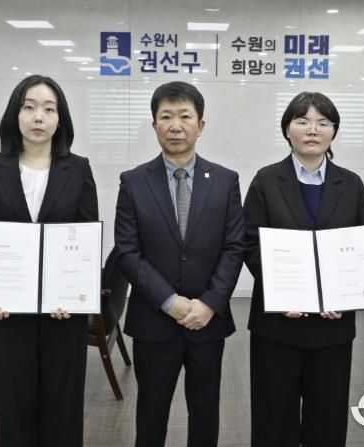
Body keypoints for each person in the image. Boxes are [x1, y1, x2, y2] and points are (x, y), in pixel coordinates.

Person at [0, 74, 98, 447]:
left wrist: (73, 296)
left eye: (49, 109)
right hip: (7, 314)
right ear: (16, 114)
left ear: (60, 119)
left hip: (63, 315)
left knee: (63, 409)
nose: (39, 116)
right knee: (14, 410)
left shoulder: (79, 168)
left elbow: (86, 239)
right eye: (29, 107)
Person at [114, 81, 244, 447]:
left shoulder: (225, 181)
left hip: (207, 320)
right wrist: (169, 301)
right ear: (154, 124)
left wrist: (210, 303)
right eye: (166, 117)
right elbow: (127, 252)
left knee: (205, 410)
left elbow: (234, 247)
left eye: (185, 117)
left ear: (200, 125)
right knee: (151, 412)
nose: (175, 126)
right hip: (154, 320)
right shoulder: (133, 182)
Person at [243, 91, 364, 446]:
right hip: (278, 323)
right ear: (287, 129)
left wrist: (346, 295)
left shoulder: (351, 184)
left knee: (327, 419)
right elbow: (250, 243)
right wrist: (281, 291)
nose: (313, 130)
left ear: (334, 131)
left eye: (323, 123)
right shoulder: (266, 180)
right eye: (302, 121)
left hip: (333, 324)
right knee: (273, 418)